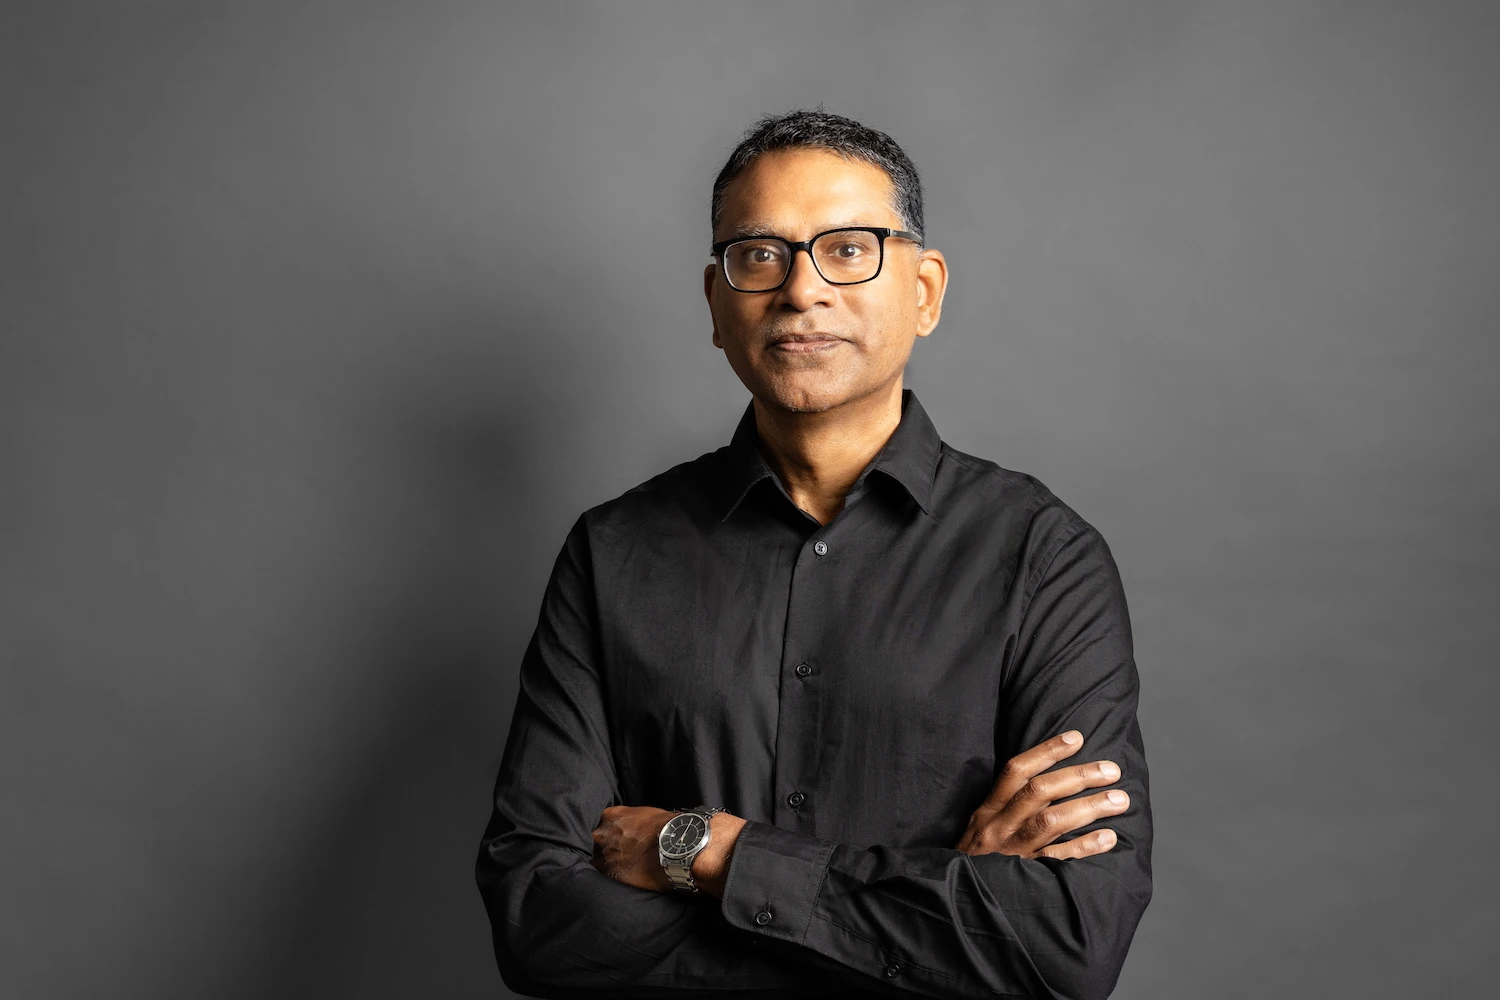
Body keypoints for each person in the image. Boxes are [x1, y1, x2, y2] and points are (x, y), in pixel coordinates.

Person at [475, 109, 1153, 1000]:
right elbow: (539, 925)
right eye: (759, 254)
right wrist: (933, 906)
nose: (801, 291)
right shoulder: (614, 554)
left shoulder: (1042, 557)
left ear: (925, 290)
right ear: (717, 303)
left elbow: (1066, 945)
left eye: (848, 248)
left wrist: (710, 854)